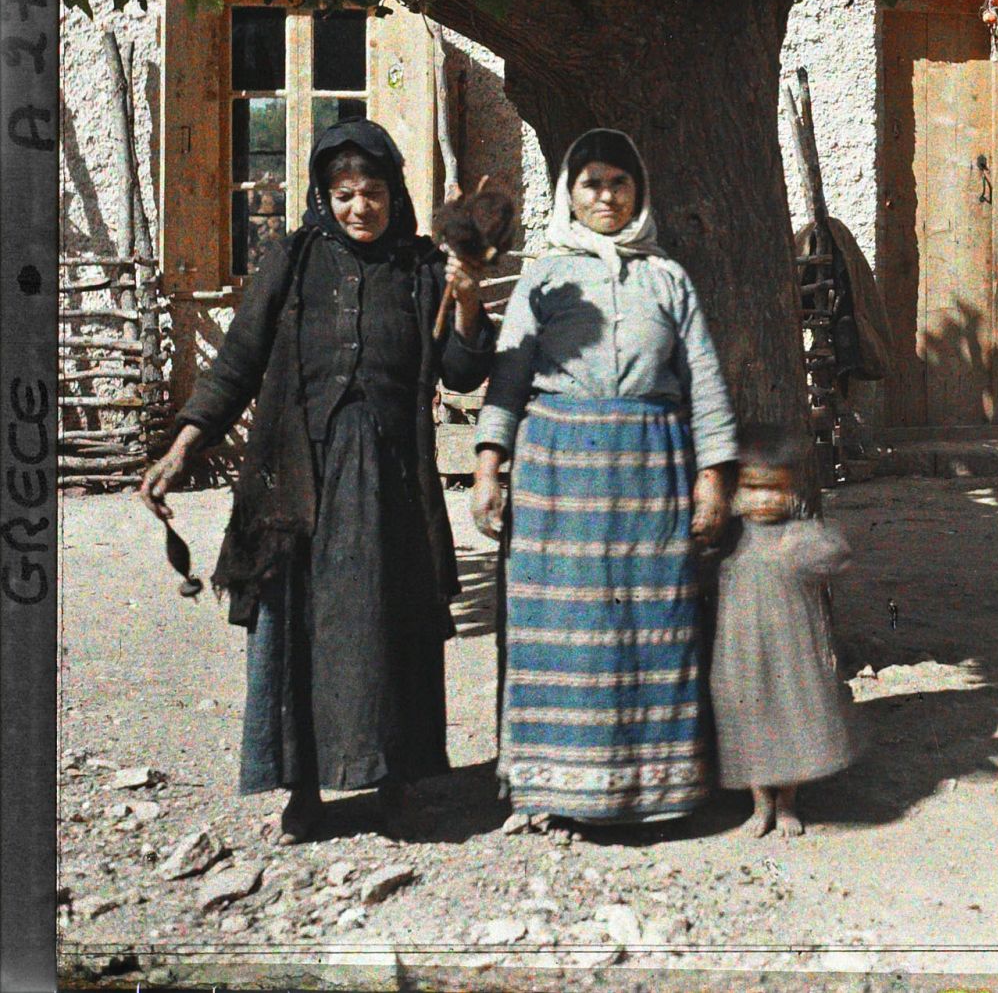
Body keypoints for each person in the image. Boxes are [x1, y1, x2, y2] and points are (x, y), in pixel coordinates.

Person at [139, 120, 495, 844]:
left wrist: (464, 300)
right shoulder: (295, 258)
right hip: (301, 477)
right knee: (299, 626)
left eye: (372, 192)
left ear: (395, 191)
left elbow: (463, 372)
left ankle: (397, 781)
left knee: (391, 625)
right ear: (322, 197)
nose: (359, 207)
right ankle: (302, 788)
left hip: (391, 480)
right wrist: (182, 446)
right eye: (344, 194)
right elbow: (237, 360)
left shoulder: (424, 267)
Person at [471, 128, 737, 826]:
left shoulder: (668, 277)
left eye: (620, 183)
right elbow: (508, 375)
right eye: (592, 183)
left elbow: (703, 383)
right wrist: (488, 467)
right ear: (569, 192)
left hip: (651, 466)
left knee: (652, 621)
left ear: (639, 191)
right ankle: (551, 790)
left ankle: (657, 791)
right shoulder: (544, 276)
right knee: (564, 624)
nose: (607, 196)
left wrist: (712, 478)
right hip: (560, 469)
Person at [709, 427, 863, 838]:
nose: (764, 499)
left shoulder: (799, 534)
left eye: (775, 490)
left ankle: (789, 803)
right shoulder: (731, 536)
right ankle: (760, 805)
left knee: (791, 719)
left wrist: (815, 550)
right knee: (751, 724)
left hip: (790, 652)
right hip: (742, 652)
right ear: (739, 491)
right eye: (754, 489)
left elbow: (838, 554)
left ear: (790, 491)